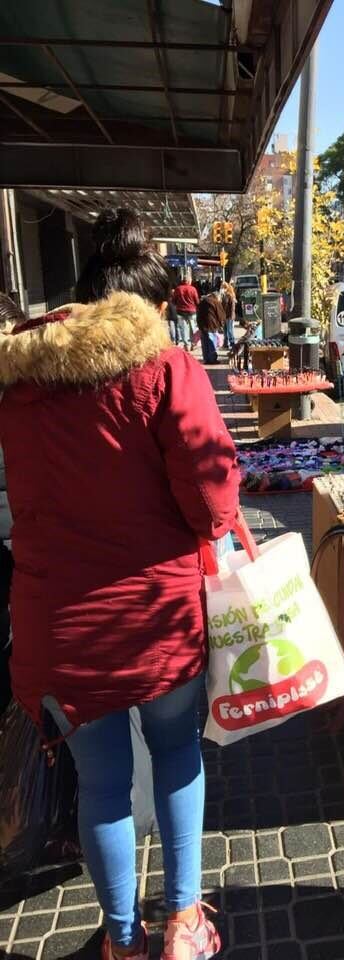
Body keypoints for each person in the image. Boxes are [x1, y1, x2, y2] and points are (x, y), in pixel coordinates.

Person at [0, 209, 239, 960]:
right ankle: (184, 923)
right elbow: (212, 505)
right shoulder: (166, 368)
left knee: (100, 781)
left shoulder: (15, 384)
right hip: (155, 617)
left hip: (57, 629)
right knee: (175, 754)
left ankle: (122, 938)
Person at [196, 289, 226, 364]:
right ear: (217, 297)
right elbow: (221, 314)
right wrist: (221, 324)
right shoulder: (216, 302)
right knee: (212, 341)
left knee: (205, 342)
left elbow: (198, 314)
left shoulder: (202, 302)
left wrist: (199, 325)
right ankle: (212, 358)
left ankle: (206, 358)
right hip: (212, 325)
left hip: (203, 325)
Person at [172, 274, 199, 349]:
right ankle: (193, 344)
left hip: (180, 311)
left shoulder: (178, 289)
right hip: (191, 311)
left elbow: (173, 301)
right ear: (189, 281)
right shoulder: (193, 289)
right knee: (192, 328)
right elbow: (197, 301)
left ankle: (186, 344)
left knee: (183, 329)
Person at [220, 281, 236, 351]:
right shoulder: (224, 295)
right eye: (222, 287)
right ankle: (225, 344)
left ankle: (232, 344)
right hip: (225, 316)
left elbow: (232, 308)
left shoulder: (230, 296)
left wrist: (231, 316)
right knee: (225, 331)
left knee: (230, 330)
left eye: (223, 287)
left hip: (229, 316)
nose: (222, 289)